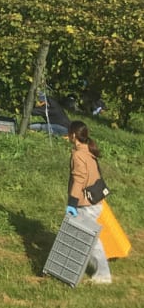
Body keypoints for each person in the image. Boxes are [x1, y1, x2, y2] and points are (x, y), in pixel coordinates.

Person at [65, 120, 112, 284]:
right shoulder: (88, 151)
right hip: (94, 201)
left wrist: (72, 203)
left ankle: (103, 274)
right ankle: (74, 265)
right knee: (79, 236)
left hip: (86, 204)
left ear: (73, 135)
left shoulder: (78, 154)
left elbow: (79, 180)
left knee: (90, 240)